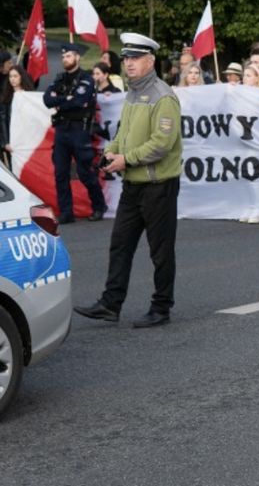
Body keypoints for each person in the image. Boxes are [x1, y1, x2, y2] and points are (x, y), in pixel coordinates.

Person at [73, 33, 182, 328]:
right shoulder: (133, 93)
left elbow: (162, 143)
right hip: (133, 184)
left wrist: (126, 159)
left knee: (160, 251)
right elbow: (123, 133)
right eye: (126, 58)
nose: (128, 64)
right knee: (120, 244)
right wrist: (111, 152)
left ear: (150, 61)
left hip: (158, 185)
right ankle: (111, 303)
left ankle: (161, 307)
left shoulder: (163, 96)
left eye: (135, 58)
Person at [43, 42, 107, 224]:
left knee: (85, 172)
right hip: (62, 131)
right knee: (60, 173)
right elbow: (47, 100)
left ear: (77, 57)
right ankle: (66, 212)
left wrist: (60, 101)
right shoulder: (60, 79)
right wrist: (67, 99)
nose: (65, 59)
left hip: (79, 131)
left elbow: (80, 101)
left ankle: (98, 206)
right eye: (63, 57)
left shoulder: (86, 78)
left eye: (68, 56)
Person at [1, 66, 36, 168]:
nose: (12, 79)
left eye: (15, 76)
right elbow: (3, 121)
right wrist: (6, 142)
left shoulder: (30, 96)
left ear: (22, 77)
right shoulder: (6, 97)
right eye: (10, 76)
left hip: (27, 139)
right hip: (13, 140)